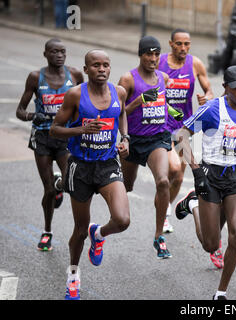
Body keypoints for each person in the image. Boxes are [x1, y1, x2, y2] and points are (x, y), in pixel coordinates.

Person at [175, 66, 236, 300]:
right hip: (210, 175)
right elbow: (179, 137)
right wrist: (197, 172)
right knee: (210, 245)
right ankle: (193, 205)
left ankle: (221, 292)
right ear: (226, 88)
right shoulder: (212, 110)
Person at [50, 49, 130, 300]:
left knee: (122, 220)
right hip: (81, 167)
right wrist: (81, 130)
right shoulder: (76, 95)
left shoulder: (119, 92)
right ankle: (73, 274)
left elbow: (123, 112)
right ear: (86, 70)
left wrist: (125, 138)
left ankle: (100, 234)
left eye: (106, 65)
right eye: (95, 65)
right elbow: (55, 130)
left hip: (108, 164)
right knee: (80, 229)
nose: (102, 69)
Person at [15, 38, 84, 252]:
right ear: (45, 54)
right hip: (43, 138)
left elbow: (85, 103)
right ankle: (47, 232)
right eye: (54, 52)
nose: (59, 55)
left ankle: (60, 185)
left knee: (69, 183)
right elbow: (19, 110)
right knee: (47, 192)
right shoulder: (36, 77)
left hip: (65, 138)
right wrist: (31, 116)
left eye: (63, 52)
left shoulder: (75, 76)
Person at [118, 36, 180, 259]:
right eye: (148, 54)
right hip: (134, 140)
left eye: (156, 54)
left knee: (163, 180)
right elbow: (118, 112)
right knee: (126, 186)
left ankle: (158, 236)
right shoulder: (128, 80)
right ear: (140, 55)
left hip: (157, 138)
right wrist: (139, 100)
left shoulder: (163, 78)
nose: (153, 58)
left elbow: (163, 104)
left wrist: (174, 114)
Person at [158, 28, 214, 233]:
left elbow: (209, 90)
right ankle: (162, 213)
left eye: (187, 44)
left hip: (185, 127)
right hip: (161, 124)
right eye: (179, 43)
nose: (183, 48)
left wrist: (206, 97)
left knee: (179, 178)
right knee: (172, 169)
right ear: (171, 44)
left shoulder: (195, 64)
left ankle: (166, 211)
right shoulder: (160, 63)